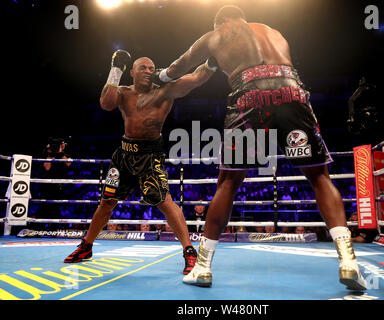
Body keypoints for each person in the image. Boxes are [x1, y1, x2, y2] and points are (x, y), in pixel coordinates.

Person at [151, 5, 367, 290]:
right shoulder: (273, 31)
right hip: (292, 91)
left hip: (249, 96)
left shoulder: (216, 34)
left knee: (228, 182)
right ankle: (348, 261)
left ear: (221, 22)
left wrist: (162, 76)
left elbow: (183, 64)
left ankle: (202, 267)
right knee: (319, 177)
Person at [64, 49, 216, 275]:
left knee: (165, 202)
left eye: (152, 68)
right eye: (143, 68)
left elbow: (195, 79)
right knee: (107, 202)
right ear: (132, 72)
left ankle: (189, 252)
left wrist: (212, 61)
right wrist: (115, 71)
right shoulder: (123, 92)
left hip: (150, 155)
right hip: (123, 155)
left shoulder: (165, 91)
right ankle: (86, 247)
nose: (148, 71)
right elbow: (106, 104)